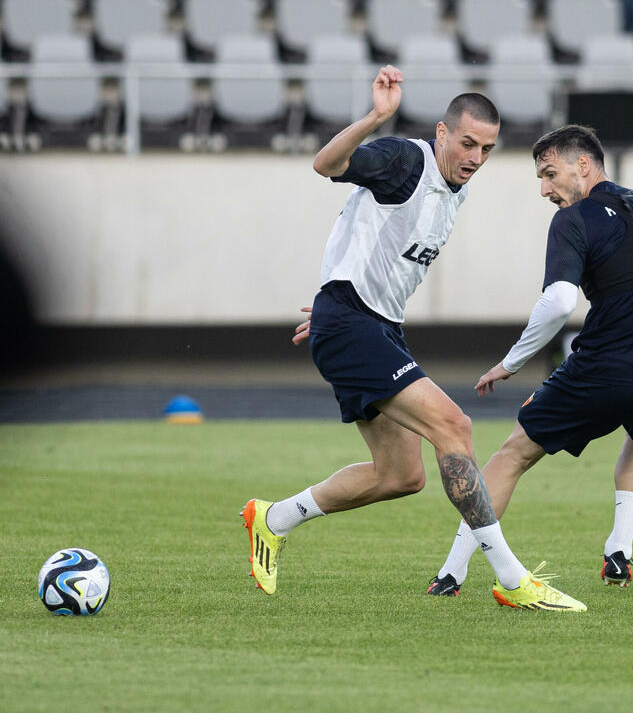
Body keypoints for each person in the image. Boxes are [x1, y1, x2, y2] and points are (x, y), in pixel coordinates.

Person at [242, 65, 585, 612]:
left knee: (401, 476)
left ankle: (273, 517)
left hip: (365, 324)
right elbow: (325, 164)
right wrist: (377, 118)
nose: (475, 157)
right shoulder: (405, 159)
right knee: (455, 426)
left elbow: (372, 244)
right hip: (354, 324)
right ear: (443, 133)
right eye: (467, 142)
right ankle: (512, 577)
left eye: (488, 149)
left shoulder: (454, 192)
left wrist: (334, 296)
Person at [423, 125, 633, 597]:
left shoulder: (574, 220)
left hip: (606, 370)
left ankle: (452, 571)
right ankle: (619, 549)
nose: (544, 189)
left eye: (550, 174)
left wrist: (510, 363)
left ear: (584, 165)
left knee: (515, 451)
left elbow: (557, 303)